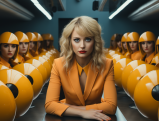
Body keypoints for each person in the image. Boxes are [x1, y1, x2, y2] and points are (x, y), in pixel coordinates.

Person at [45, 16, 117, 121]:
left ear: (95, 41)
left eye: (88, 39)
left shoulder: (107, 64)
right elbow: (49, 105)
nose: (82, 45)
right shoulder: (58, 64)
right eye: (77, 40)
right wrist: (82, 113)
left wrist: (70, 108)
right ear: (70, 42)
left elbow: (111, 107)